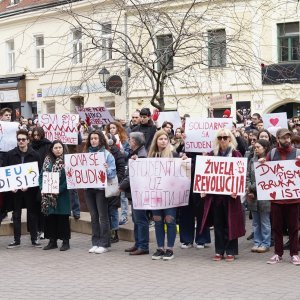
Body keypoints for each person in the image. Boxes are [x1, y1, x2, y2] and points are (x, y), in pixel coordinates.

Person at [200, 128, 245, 262]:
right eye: (220, 137)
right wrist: (203, 188)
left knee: (230, 223)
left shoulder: (236, 155)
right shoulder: (211, 154)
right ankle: (219, 250)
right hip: (216, 196)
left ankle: (231, 250)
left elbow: (240, 174)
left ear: (230, 138)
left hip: (231, 197)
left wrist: (236, 189)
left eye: (225, 137)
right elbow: (204, 173)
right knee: (218, 224)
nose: (223, 140)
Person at [147, 130, 187, 260]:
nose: (163, 141)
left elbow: (182, 171)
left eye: (165, 139)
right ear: (156, 141)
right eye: (161, 139)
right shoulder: (151, 156)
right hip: (156, 194)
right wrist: (135, 160)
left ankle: (169, 248)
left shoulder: (173, 154)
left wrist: (184, 161)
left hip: (170, 194)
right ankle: (159, 248)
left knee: (170, 221)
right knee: (158, 221)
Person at [265, 128, 300, 265]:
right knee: (277, 227)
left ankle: (294, 254)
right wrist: (263, 163)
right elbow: (265, 173)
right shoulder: (272, 153)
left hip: (293, 199)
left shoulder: (297, 153)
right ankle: (277, 253)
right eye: (284, 138)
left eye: (288, 137)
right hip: (277, 199)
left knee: (294, 227)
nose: (287, 140)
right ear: (278, 139)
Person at [5, 129, 42, 248]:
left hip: (30, 190)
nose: (21, 141)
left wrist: (30, 185)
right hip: (15, 191)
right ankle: (16, 240)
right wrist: (11, 185)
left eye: (23, 139)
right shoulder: (10, 154)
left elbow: (39, 172)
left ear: (28, 140)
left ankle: (34, 239)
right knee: (16, 214)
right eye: (19, 139)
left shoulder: (35, 154)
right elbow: (5, 171)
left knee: (32, 214)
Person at [84, 130, 116, 254]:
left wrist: (107, 169)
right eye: (91, 139)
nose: (93, 141)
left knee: (103, 216)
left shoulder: (107, 155)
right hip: (89, 189)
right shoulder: (86, 154)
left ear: (101, 140)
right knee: (93, 216)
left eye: (96, 138)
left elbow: (112, 174)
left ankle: (104, 243)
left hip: (101, 190)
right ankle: (95, 242)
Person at [119, 132, 149, 255]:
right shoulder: (137, 153)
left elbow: (133, 175)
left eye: (130, 139)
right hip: (135, 192)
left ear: (135, 142)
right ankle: (138, 244)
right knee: (136, 219)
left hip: (139, 192)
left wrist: (121, 186)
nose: (128, 141)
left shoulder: (141, 156)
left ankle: (143, 246)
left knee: (140, 220)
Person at [39, 140, 71, 251]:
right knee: (50, 218)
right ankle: (52, 241)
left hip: (62, 195)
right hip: (48, 195)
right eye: (55, 148)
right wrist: (42, 187)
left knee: (63, 218)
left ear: (63, 148)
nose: (58, 150)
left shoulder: (67, 161)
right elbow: (41, 176)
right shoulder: (47, 160)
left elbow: (69, 179)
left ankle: (65, 241)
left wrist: (59, 189)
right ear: (52, 149)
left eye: (60, 147)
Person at [246, 139, 271, 253]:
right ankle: (257, 242)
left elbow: (266, 179)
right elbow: (247, 175)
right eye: (255, 147)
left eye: (258, 147)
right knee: (255, 222)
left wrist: (252, 187)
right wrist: (248, 187)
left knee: (265, 221)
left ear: (265, 148)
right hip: (253, 196)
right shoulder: (252, 160)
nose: (255, 149)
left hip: (264, 195)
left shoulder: (269, 161)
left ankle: (266, 243)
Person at [105, 133, 126, 243]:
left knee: (112, 209)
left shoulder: (116, 153)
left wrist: (115, 180)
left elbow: (121, 169)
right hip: (102, 185)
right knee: (105, 210)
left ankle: (114, 232)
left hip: (113, 184)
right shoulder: (99, 152)